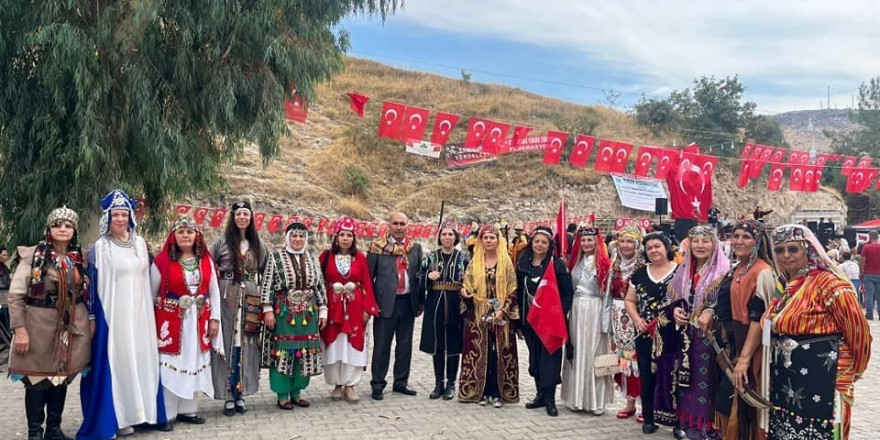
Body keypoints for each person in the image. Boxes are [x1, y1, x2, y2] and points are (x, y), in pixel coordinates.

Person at [767, 225, 872, 439]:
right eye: (779, 250)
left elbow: (857, 330)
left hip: (825, 374)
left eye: (793, 249)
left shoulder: (830, 283)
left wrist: (854, 370)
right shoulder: (788, 284)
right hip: (789, 377)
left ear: (807, 249)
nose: (786, 255)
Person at [79, 190, 168, 439]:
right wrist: (94, 317)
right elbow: (92, 286)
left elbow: (151, 278)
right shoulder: (100, 247)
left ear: (130, 216)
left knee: (141, 359)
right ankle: (119, 417)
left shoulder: (140, 244)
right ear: (108, 218)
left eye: (123, 214)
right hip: (114, 316)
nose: (120, 219)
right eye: (115, 214)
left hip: (141, 316)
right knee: (120, 362)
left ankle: (145, 414)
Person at [8, 206, 91, 440]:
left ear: (74, 231)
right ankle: (35, 432)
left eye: (68, 226)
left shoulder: (79, 258)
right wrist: (20, 329)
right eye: (57, 225)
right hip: (38, 325)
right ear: (49, 228)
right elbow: (15, 296)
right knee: (36, 378)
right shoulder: (33, 257)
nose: (63, 229)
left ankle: (53, 430)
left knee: (60, 377)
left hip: (69, 326)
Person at [697, 219, 775, 439]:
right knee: (725, 404)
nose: (739, 241)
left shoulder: (762, 272)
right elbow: (721, 300)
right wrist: (710, 311)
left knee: (744, 410)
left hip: (745, 349)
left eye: (746, 237)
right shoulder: (737, 269)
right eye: (736, 236)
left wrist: (744, 358)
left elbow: (758, 319)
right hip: (727, 348)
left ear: (758, 242)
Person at [658, 225, 730, 440]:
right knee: (685, 383)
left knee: (707, 385)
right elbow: (669, 300)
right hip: (685, 338)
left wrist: (709, 310)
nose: (700, 245)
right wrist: (675, 310)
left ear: (714, 244)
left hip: (710, 339)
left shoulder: (724, 272)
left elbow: (727, 304)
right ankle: (687, 423)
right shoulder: (683, 271)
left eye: (705, 241)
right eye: (695, 241)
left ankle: (709, 428)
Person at [151, 216, 224, 425]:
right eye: (181, 232)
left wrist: (215, 319)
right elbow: (150, 294)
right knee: (170, 364)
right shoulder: (162, 262)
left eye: (189, 232)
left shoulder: (206, 261)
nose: (185, 235)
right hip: (171, 323)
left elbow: (214, 292)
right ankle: (167, 413)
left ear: (197, 236)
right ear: (174, 236)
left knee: (194, 361)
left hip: (198, 320)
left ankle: (188, 410)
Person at [209, 200, 268, 416]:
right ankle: (228, 395)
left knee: (246, 345)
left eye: (246, 214)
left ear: (251, 218)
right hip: (227, 298)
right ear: (232, 218)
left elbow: (267, 271)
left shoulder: (258, 244)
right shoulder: (221, 243)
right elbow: (208, 268)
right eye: (238, 214)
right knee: (227, 344)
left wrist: (265, 301)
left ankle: (241, 392)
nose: (242, 217)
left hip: (251, 298)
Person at [261, 222, 327, 410]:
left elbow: (319, 286)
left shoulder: (312, 258)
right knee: (284, 351)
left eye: (301, 236)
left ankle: (297, 392)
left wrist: (323, 310)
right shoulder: (275, 257)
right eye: (294, 236)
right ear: (287, 237)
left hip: (308, 313)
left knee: (304, 352)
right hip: (284, 314)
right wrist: (268, 310)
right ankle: (282, 395)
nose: (297, 240)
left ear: (306, 239)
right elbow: (267, 285)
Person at [458, 225, 519, 407]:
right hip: (479, 314)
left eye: (492, 237)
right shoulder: (474, 262)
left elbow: (513, 289)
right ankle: (480, 392)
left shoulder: (506, 262)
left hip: (501, 314)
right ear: (481, 241)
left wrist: (502, 311)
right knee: (480, 352)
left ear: (498, 240)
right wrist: (465, 292)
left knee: (499, 352)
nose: (489, 241)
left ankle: (498, 393)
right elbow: (466, 285)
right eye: (486, 238)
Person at [320, 217, 379, 403]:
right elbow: (319, 283)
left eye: (349, 235)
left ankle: (351, 385)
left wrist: (368, 308)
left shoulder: (360, 258)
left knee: (352, 345)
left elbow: (367, 283)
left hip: (354, 307)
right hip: (333, 308)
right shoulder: (326, 257)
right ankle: (337, 384)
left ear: (354, 238)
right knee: (335, 345)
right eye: (342, 235)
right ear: (336, 237)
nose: (345, 239)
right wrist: (320, 308)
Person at [624, 232, 678, 434]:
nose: (654, 250)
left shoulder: (680, 272)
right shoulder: (639, 274)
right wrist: (637, 319)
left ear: (666, 248)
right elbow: (630, 300)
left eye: (658, 246)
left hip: (672, 334)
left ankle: (676, 421)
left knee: (672, 376)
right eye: (649, 248)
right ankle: (649, 417)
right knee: (647, 376)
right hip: (645, 334)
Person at [516, 226, 573, 417]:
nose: (539, 245)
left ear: (550, 245)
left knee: (550, 360)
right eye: (537, 241)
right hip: (530, 320)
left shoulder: (557, 266)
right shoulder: (523, 263)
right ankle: (540, 394)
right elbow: (518, 292)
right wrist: (518, 322)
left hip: (550, 323)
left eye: (544, 242)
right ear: (531, 242)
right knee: (535, 360)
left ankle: (550, 398)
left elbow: (567, 295)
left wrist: (556, 313)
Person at [367, 212, 423, 400]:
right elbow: (369, 278)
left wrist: (421, 301)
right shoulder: (377, 247)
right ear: (388, 225)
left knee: (405, 345)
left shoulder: (415, 248)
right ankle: (377, 384)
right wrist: (371, 305)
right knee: (382, 345)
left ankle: (400, 382)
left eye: (402, 224)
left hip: (408, 302)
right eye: (395, 223)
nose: (399, 227)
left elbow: (419, 277)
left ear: (407, 226)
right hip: (385, 304)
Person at [561, 226, 614, 415]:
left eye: (590, 240)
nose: (586, 244)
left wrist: (606, 323)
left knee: (594, 351)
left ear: (596, 242)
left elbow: (608, 295)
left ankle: (595, 401)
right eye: (583, 240)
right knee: (577, 350)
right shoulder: (574, 262)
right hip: (576, 309)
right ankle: (576, 398)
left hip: (595, 309)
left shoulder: (605, 263)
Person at [419, 221, 469, 400]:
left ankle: (451, 384)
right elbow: (418, 276)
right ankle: (438, 383)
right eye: (444, 234)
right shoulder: (431, 257)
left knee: (453, 344)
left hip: (455, 302)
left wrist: (465, 286)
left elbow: (471, 281)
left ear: (455, 237)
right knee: (437, 343)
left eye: (450, 234)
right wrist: (428, 276)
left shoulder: (463, 258)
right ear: (439, 238)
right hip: (435, 302)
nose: (447, 237)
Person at [606, 224, 645, 420]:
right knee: (624, 359)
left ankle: (644, 405)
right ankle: (629, 401)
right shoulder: (614, 264)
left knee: (639, 359)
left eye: (630, 241)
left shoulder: (644, 267)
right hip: (617, 315)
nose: (626, 245)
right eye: (622, 241)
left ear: (637, 244)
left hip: (635, 315)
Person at [859, 229, 880, 319]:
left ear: (869, 237)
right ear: (878, 237)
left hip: (868, 274)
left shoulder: (866, 247)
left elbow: (862, 261)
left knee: (869, 294)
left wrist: (861, 273)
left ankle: (870, 314)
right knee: (879, 295)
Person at [0, 245, 11, 349]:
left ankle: (7, 337)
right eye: (4, 254)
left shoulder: (5, 268)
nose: (6, 257)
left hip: (5, 298)